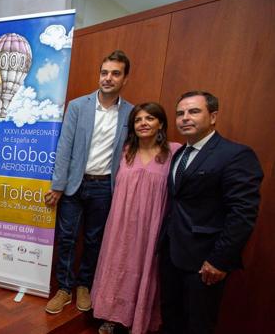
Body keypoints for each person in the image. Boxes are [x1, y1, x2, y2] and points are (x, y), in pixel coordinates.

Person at [159, 91, 263, 334]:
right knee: (171, 318)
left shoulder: (235, 155)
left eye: (194, 111)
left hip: (204, 262)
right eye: (180, 113)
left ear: (213, 116)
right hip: (172, 254)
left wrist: (219, 260)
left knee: (198, 324)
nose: (185, 118)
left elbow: (243, 214)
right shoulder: (179, 154)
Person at [45, 50, 134, 314]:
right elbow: (64, 148)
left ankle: (84, 285)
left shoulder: (131, 112)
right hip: (74, 185)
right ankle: (63, 288)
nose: (108, 78)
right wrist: (58, 186)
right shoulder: (77, 106)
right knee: (68, 238)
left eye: (115, 73)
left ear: (124, 79)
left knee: (95, 240)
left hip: (104, 187)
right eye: (104, 72)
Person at [91, 103, 181, 334]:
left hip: (152, 225)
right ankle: (111, 316)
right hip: (120, 224)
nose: (143, 123)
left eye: (150, 118)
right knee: (117, 264)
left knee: (145, 269)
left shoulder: (174, 152)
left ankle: (138, 320)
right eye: (138, 119)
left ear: (160, 123)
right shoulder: (124, 150)